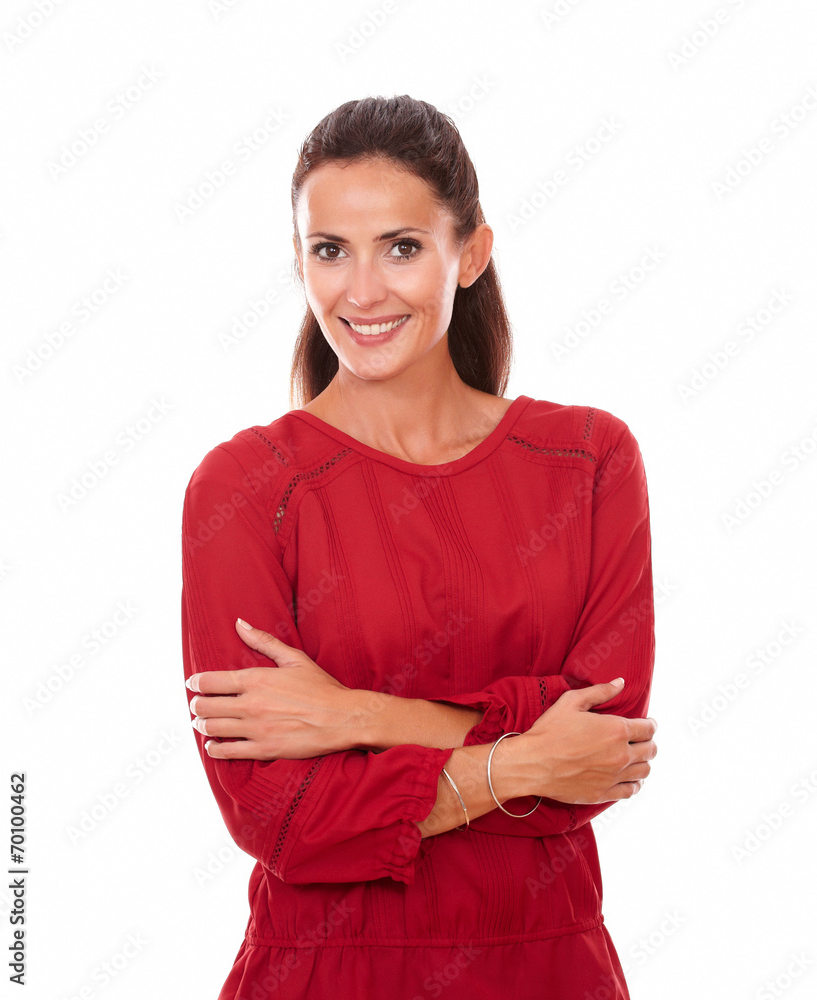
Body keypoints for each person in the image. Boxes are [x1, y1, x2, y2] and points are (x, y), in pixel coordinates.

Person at [181, 94, 658, 1000]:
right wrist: (525, 763)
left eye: (401, 247)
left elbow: (603, 751)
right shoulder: (244, 488)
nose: (362, 292)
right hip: (326, 974)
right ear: (300, 261)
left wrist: (356, 716)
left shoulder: (590, 460)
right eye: (330, 251)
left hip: (550, 972)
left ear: (470, 254)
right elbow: (280, 821)